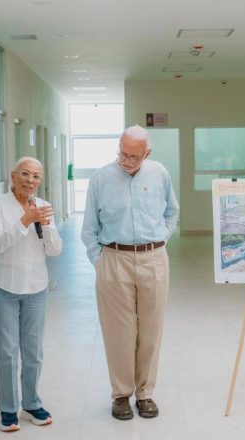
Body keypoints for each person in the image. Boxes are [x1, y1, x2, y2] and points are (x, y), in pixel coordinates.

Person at [81, 125, 179, 420]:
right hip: (114, 257)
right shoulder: (101, 178)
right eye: (123, 153)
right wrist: (100, 260)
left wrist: (161, 239)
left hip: (154, 258)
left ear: (146, 154)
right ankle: (121, 394)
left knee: (151, 328)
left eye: (134, 156)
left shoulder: (159, 173)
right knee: (119, 331)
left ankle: (145, 393)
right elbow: (88, 228)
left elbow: (172, 211)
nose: (127, 160)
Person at [0, 157, 62, 432]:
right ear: (13, 175)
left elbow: (54, 250)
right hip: (2, 287)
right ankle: (8, 408)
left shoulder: (43, 206)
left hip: (36, 288)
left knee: (34, 352)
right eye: (25, 174)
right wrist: (25, 220)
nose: (30, 180)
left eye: (36, 176)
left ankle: (31, 402)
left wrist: (47, 227)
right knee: (7, 352)